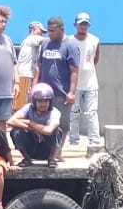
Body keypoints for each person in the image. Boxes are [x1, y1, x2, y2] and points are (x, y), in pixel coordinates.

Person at [33, 16, 79, 163]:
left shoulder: (70, 45)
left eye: (53, 31)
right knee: (42, 121)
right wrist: (34, 85)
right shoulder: (45, 44)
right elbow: (39, 66)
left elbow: (74, 71)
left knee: (61, 123)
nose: (50, 34)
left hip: (61, 92)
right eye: (48, 31)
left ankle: (57, 152)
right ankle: (44, 151)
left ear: (61, 29)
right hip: (44, 92)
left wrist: (71, 92)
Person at [67, 12, 101, 148]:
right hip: (74, 85)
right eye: (81, 24)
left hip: (91, 84)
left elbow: (96, 59)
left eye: (85, 24)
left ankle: (94, 141)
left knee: (92, 113)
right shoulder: (69, 41)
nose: (83, 27)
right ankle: (73, 140)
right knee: (73, 113)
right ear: (75, 25)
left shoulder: (95, 40)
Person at [7, 82, 62, 166]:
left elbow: (49, 130)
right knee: (16, 131)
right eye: (40, 101)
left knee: (57, 130)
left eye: (46, 101)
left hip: (46, 149)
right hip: (32, 146)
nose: (43, 104)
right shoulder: (28, 108)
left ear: (50, 101)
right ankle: (27, 158)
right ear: (34, 101)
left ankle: (52, 159)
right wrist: (34, 129)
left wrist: (30, 122)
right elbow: (11, 121)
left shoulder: (54, 112)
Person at [14, 20, 46, 111]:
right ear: (33, 29)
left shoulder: (31, 41)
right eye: (40, 31)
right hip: (25, 75)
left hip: (28, 75)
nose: (42, 34)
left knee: (26, 103)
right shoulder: (32, 38)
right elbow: (46, 40)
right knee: (20, 104)